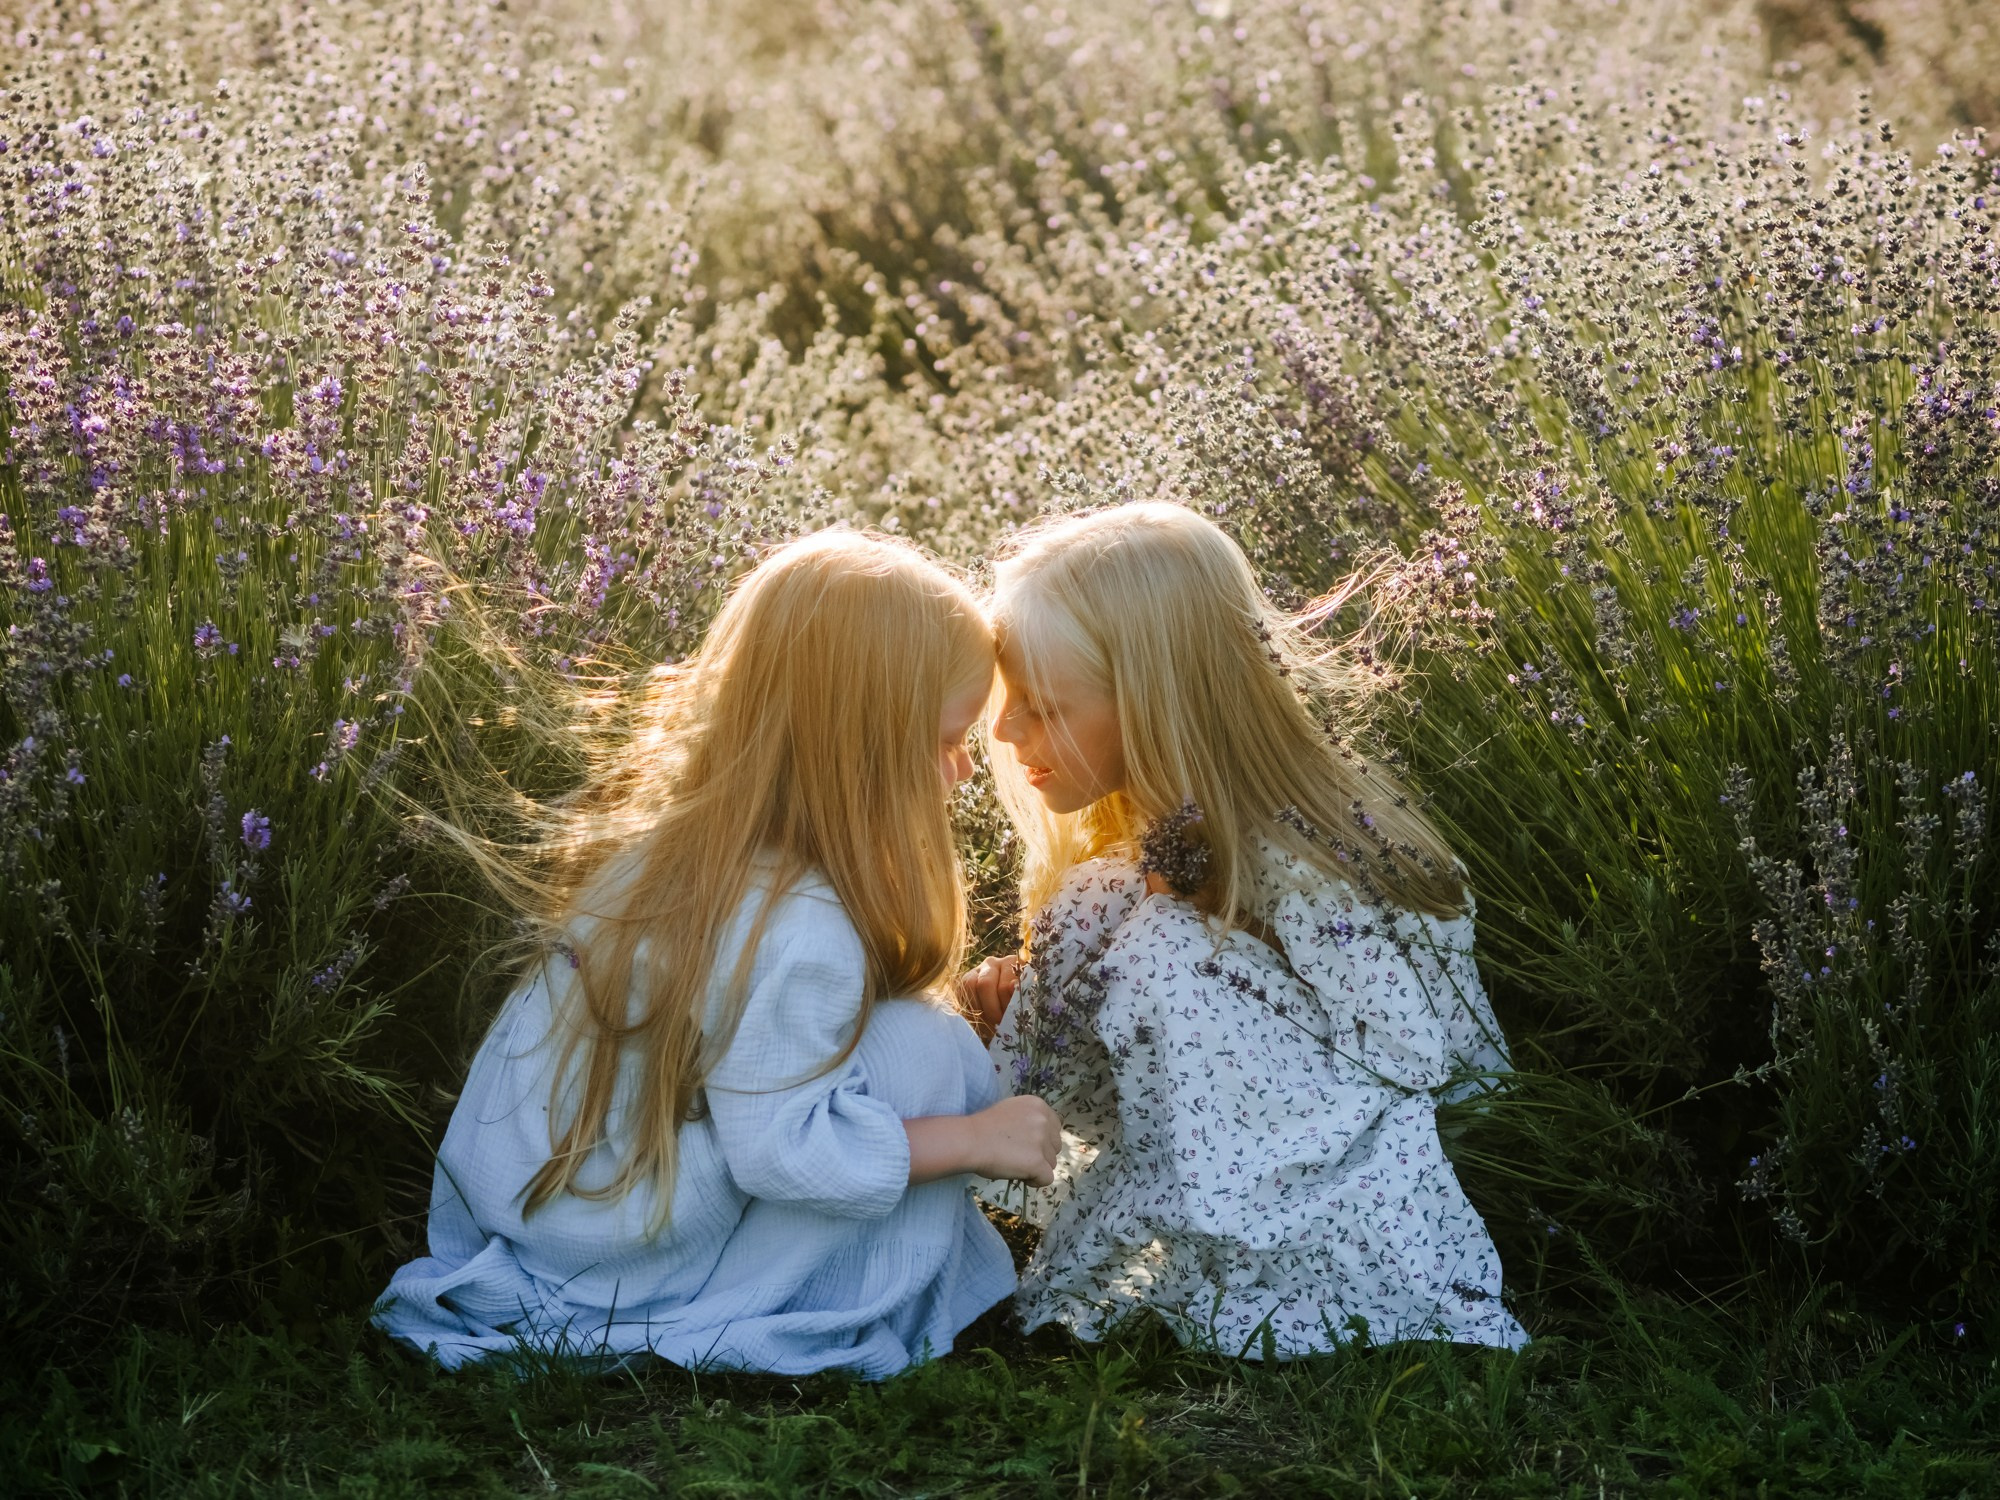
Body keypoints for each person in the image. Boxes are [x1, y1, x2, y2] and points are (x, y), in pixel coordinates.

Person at [374, 530, 1063, 1377]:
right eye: (948, 739)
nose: (962, 769)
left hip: (548, 1219)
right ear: (862, 754)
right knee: (920, 1050)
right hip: (631, 1265)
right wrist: (976, 1138)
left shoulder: (671, 857)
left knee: (906, 1033)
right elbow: (782, 1150)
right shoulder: (802, 924)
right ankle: (789, 1305)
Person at [965, 501, 1528, 1357]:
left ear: (1156, 702)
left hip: (1358, 1171)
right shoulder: (1135, 862)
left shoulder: (1306, 853)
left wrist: (1231, 949)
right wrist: (1023, 1016)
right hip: (1214, 1135)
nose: (1006, 731)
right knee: (1101, 907)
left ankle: (1245, 1262)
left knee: (1158, 941)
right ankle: (966, 1173)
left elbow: (1416, 1056)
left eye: (1043, 707)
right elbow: (1094, 1084)